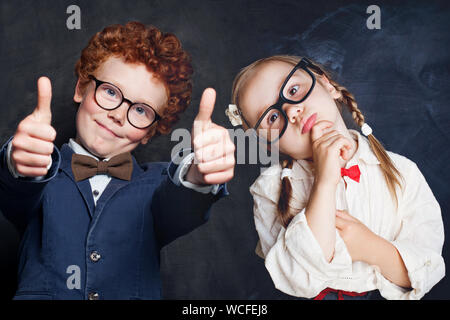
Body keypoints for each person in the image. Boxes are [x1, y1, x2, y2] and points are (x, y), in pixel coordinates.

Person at [0, 21, 235, 300]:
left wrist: (198, 173)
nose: (118, 115)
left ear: (150, 132)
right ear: (82, 88)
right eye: (110, 92)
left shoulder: (159, 187)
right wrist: (21, 159)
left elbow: (181, 203)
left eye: (140, 110)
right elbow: (17, 186)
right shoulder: (42, 170)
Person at [225, 55, 444, 299]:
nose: (292, 110)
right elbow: (297, 277)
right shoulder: (269, 191)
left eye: (293, 89)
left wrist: (370, 247)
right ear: (269, 145)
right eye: (273, 117)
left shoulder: (403, 172)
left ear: (327, 84)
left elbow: (427, 268)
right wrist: (325, 181)